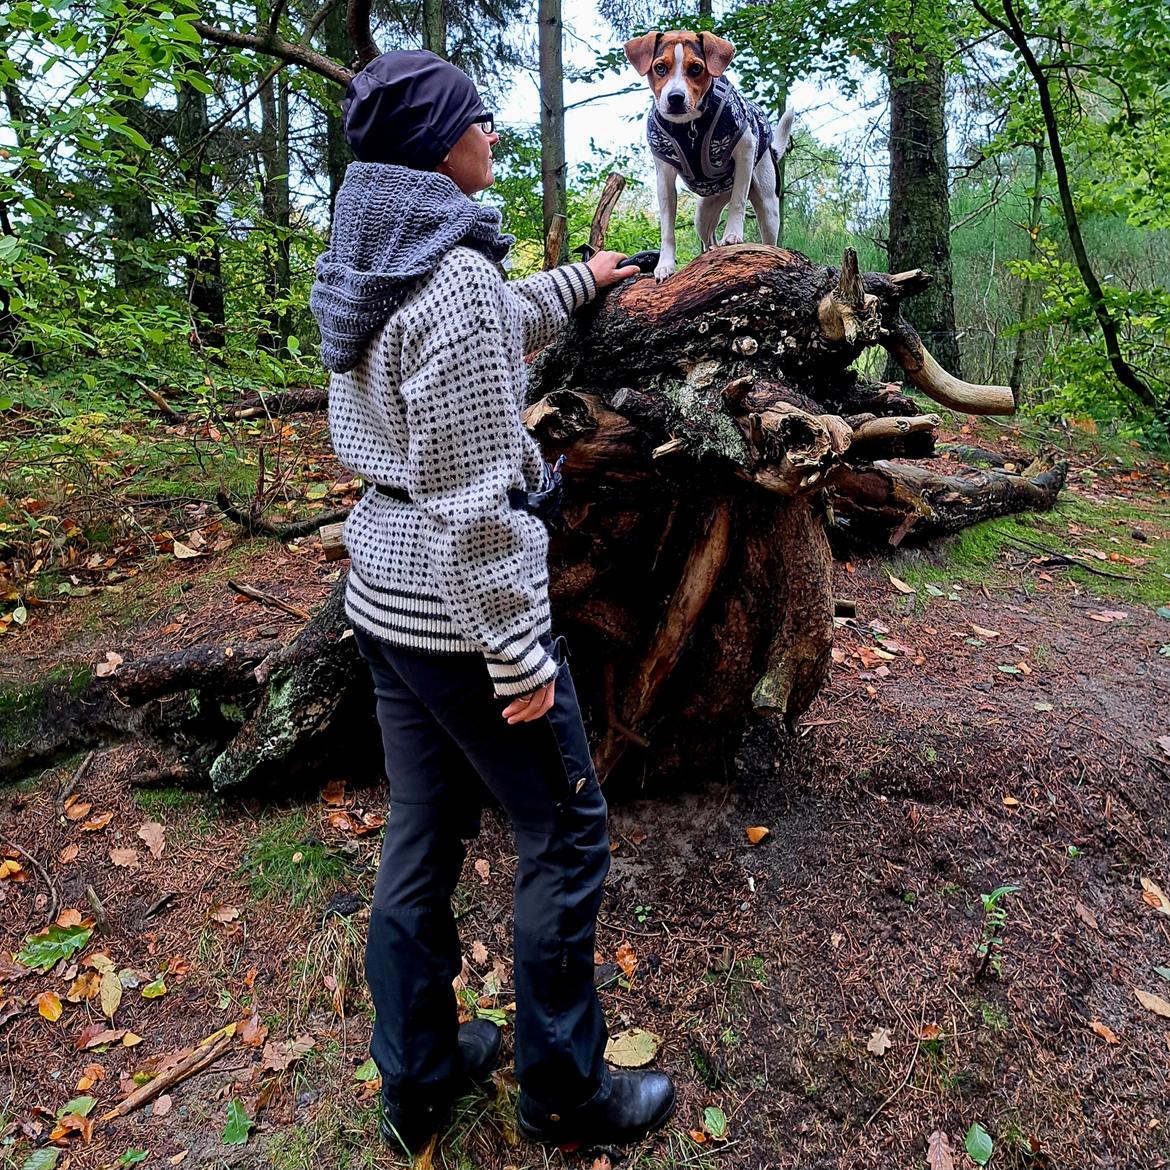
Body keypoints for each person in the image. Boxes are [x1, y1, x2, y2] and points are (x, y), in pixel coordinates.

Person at [310, 50, 676, 1156]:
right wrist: (520, 655)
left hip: (380, 593)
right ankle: (565, 1093)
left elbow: (476, 328)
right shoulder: (452, 277)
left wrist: (582, 280)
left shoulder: (369, 252)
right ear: (438, 145)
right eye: (479, 121)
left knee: (421, 834)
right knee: (564, 832)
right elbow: (475, 502)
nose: (495, 138)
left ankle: (417, 1075)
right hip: (459, 617)